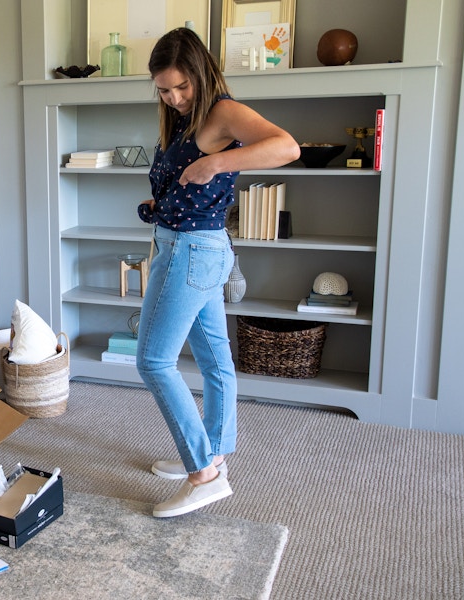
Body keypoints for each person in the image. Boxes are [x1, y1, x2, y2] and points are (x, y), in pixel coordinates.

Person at [135, 28, 299, 518]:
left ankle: (202, 474)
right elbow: (187, 188)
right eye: (164, 89)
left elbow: (285, 147)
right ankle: (214, 455)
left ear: (201, 75)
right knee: (214, 359)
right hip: (198, 246)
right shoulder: (179, 118)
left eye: (182, 87)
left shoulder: (222, 112)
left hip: (191, 252)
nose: (174, 97)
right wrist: (159, 202)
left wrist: (217, 163)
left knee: (153, 361)